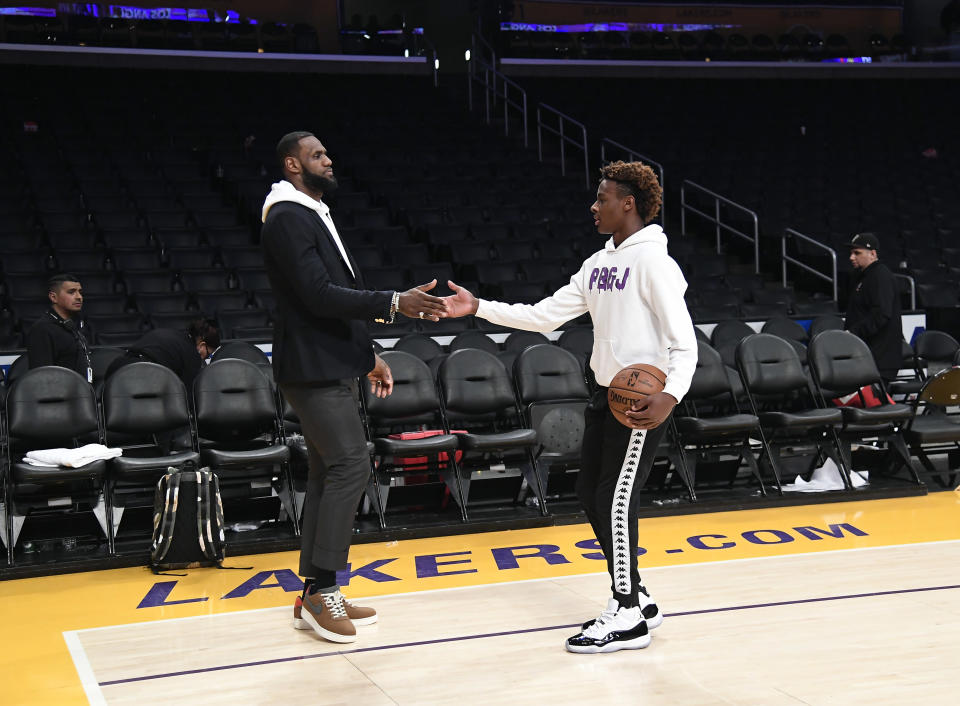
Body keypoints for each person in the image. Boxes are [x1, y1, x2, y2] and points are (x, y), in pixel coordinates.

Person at [442, 161, 698, 654]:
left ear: (628, 204)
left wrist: (670, 395)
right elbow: (542, 317)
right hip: (607, 394)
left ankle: (626, 612)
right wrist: (479, 308)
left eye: (603, 198)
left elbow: (683, 343)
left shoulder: (655, 264)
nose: (594, 206)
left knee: (616, 499)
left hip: (643, 402)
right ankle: (638, 596)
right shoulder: (598, 264)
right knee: (588, 493)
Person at [261, 131, 447, 644]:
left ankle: (313, 593)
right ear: (292, 165)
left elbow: (329, 300)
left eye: (326, 152)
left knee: (328, 470)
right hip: (311, 368)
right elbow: (318, 295)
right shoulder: (286, 216)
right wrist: (394, 302)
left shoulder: (309, 212)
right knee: (350, 464)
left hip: (331, 363)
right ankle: (323, 590)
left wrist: (367, 356)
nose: (327, 159)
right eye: (316, 154)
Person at [844, 233, 902, 382]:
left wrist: (853, 332)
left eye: (857, 253)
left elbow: (881, 314)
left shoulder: (880, 276)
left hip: (879, 359)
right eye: (851, 253)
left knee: (874, 403)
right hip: (866, 356)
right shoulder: (861, 276)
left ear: (873, 254)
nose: (852, 257)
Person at [105, 318, 220, 390]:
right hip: (140, 378)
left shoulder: (170, 334)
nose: (206, 358)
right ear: (201, 345)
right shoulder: (192, 355)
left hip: (116, 370)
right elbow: (187, 397)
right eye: (208, 354)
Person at [26, 273, 93, 381]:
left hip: (82, 393)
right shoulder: (42, 329)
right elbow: (41, 376)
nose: (79, 297)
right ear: (53, 297)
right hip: (59, 395)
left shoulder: (75, 326)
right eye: (71, 292)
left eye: (80, 292)